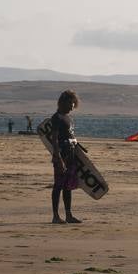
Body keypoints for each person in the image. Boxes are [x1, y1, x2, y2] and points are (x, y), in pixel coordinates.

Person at [49, 90, 82, 225]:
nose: (72, 106)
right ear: (62, 102)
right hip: (61, 155)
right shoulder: (56, 118)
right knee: (58, 185)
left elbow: (70, 137)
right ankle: (56, 216)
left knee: (68, 186)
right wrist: (58, 158)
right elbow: (54, 140)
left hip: (71, 154)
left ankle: (68, 215)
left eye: (74, 103)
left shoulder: (68, 118)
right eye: (70, 103)